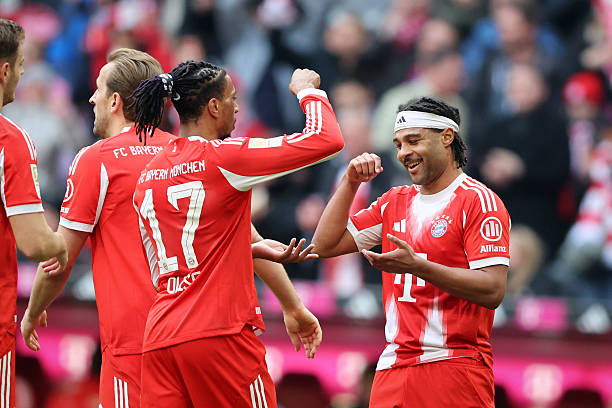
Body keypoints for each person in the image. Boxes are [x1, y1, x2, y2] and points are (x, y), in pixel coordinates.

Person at [21, 49, 320, 408]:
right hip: (201, 338)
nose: (92, 97)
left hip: (139, 349)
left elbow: (61, 257)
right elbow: (245, 237)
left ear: (115, 101)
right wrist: (292, 304)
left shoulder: (96, 160)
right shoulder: (186, 154)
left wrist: (34, 309)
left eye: (98, 89)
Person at [130, 63, 343, 407]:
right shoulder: (224, 158)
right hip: (220, 334)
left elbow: (176, 259)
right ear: (214, 107)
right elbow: (326, 139)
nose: (238, 108)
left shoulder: (147, 177)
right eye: (233, 98)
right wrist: (308, 90)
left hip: (160, 338)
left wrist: (253, 256)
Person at [312, 97, 510, 407]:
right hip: (392, 368)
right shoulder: (394, 201)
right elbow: (324, 245)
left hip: (453, 364)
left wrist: (418, 266)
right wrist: (350, 183)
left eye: (413, 141)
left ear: (447, 137)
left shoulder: (479, 201)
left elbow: (493, 289)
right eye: (399, 144)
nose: (403, 153)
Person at [0, 18, 67, 408]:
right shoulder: (11, 141)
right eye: (22, 64)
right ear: (5, 70)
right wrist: (62, 244)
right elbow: (35, 244)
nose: (24, 73)